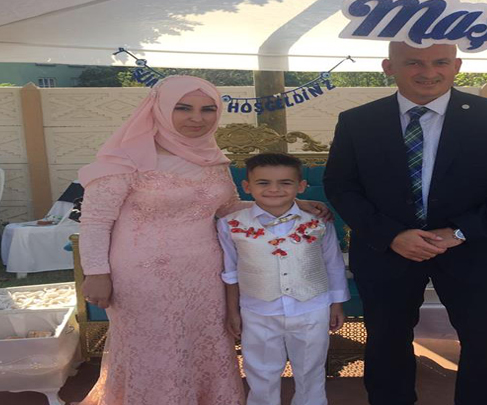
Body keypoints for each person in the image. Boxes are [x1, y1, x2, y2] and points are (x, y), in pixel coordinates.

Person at [77, 76, 329, 405]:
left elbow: (226, 208)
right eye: (184, 108)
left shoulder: (211, 157)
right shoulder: (124, 159)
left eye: (208, 109)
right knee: (156, 347)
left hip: (206, 274)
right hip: (143, 277)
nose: (197, 118)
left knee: (204, 343)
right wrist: (96, 272)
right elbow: (95, 220)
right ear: (160, 108)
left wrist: (290, 204)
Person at [324, 42, 487, 405]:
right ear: (388, 66)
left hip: (474, 250)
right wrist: (392, 235)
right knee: (387, 341)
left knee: (484, 341)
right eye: (414, 63)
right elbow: (341, 186)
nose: (428, 72)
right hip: (387, 252)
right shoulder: (357, 121)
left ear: (457, 65)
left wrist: (459, 231)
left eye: (440, 62)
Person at [218, 152, 350, 405]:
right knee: (260, 371)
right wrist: (233, 311)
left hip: (312, 308)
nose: (274, 189)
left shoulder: (319, 222)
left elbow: (333, 264)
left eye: (285, 183)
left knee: (311, 370)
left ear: (301, 186)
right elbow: (230, 271)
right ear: (247, 186)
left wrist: (336, 304)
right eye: (263, 182)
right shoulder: (230, 224)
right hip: (258, 311)